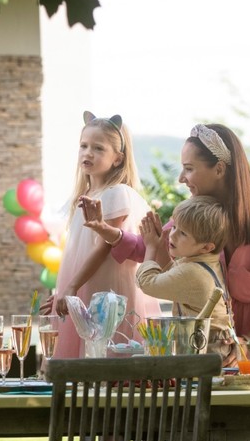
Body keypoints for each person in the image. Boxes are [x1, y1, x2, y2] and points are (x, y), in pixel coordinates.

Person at [83, 123, 250, 343]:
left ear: (219, 169)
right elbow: (150, 246)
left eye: (189, 168)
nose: (181, 178)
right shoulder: (195, 216)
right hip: (206, 351)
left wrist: (246, 343)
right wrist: (104, 228)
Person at [43, 112, 162, 359]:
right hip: (86, 284)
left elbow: (103, 247)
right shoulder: (85, 197)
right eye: (84, 146)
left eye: (98, 148)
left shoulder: (116, 193)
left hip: (107, 290)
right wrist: (65, 291)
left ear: (117, 158)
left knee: (106, 347)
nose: (88, 153)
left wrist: (72, 287)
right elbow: (78, 254)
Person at [134, 196, 235, 364]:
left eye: (183, 233)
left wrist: (150, 246)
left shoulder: (193, 272)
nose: (172, 235)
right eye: (174, 227)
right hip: (215, 351)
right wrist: (159, 244)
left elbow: (147, 283)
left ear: (206, 247)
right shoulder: (205, 263)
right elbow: (171, 273)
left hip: (205, 354)